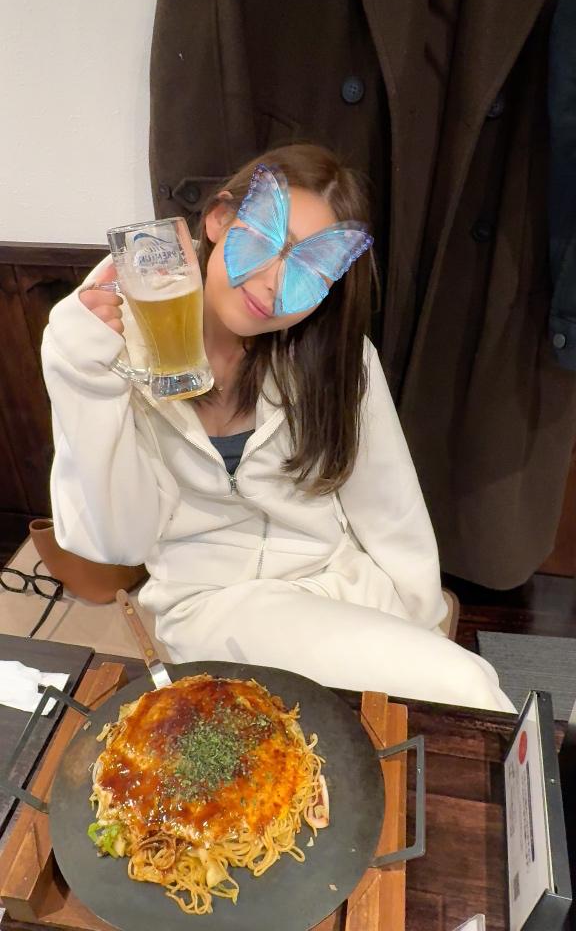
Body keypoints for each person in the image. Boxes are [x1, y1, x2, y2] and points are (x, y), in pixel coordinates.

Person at [41, 144, 513, 711]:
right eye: (267, 242)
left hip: (343, 581)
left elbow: (390, 508)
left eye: (311, 268)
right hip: (217, 609)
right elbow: (117, 541)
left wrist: (424, 622)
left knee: (450, 689)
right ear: (219, 219)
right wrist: (85, 382)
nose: (272, 284)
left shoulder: (337, 357)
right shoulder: (116, 354)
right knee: (468, 686)